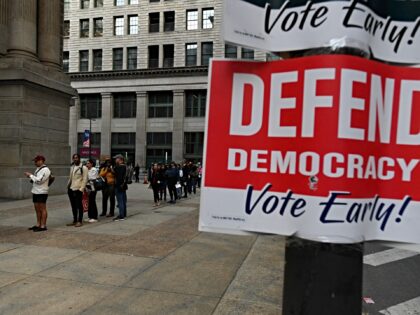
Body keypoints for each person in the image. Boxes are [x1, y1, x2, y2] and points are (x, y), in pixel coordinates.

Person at [24, 155, 51, 232]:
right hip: (35, 191)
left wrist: (30, 175)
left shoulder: (46, 170)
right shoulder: (38, 169)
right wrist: (31, 177)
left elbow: (39, 181)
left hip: (42, 192)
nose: (35, 163)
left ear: (41, 161)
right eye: (34, 161)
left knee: (42, 209)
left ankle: (43, 226)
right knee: (37, 209)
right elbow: (36, 179)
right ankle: (38, 224)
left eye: (36, 161)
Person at [67, 153, 88, 227]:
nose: (75, 159)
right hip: (71, 188)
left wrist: (81, 189)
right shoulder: (72, 167)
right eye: (74, 158)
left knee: (79, 205)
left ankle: (79, 221)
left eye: (76, 158)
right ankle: (75, 220)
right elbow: (70, 178)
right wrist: (68, 186)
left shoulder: (83, 167)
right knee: (73, 206)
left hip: (78, 189)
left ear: (79, 158)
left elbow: (85, 179)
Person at [113, 154, 127, 221]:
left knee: (120, 201)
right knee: (123, 200)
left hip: (119, 186)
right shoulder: (124, 166)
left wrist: (118, 185)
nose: (115, 160)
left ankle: (121, 215)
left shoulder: (119, 167)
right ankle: (124, 213)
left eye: (116, 159)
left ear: (120, 159)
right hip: (123, 186)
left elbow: (119, 177)